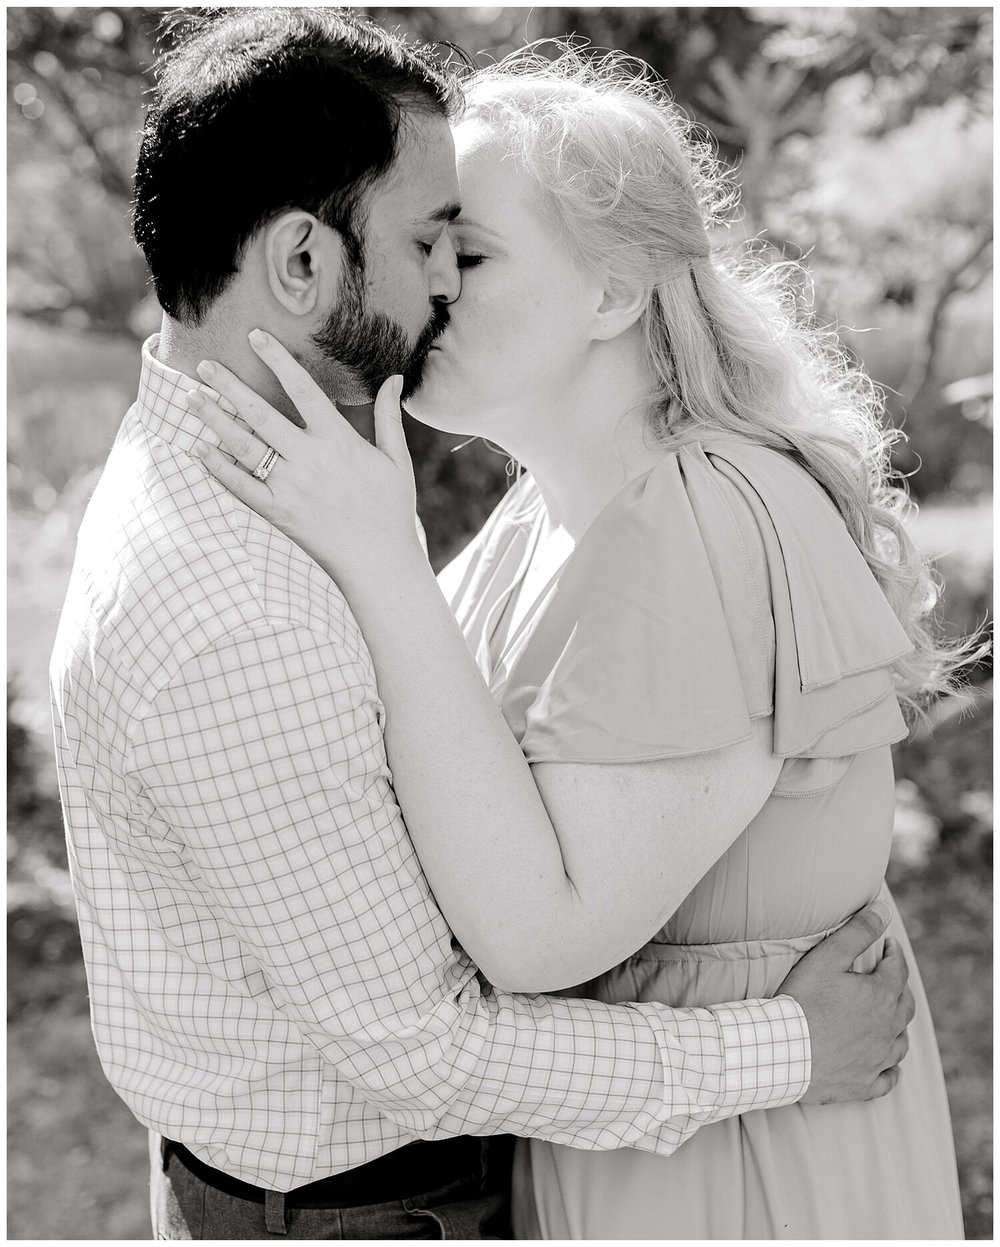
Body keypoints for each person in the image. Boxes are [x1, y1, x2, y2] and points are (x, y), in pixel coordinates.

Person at [50, 11, 912, 1240]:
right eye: (427, 239)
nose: (441, 286)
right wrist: (782, 1046)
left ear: (615, 291)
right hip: (425, 1179)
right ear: (302, 262)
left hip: (718, 1171)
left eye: (473, 248)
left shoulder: (678, 520)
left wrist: (384, 556)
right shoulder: (271, 582)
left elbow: (508, 909)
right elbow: (444, 995)